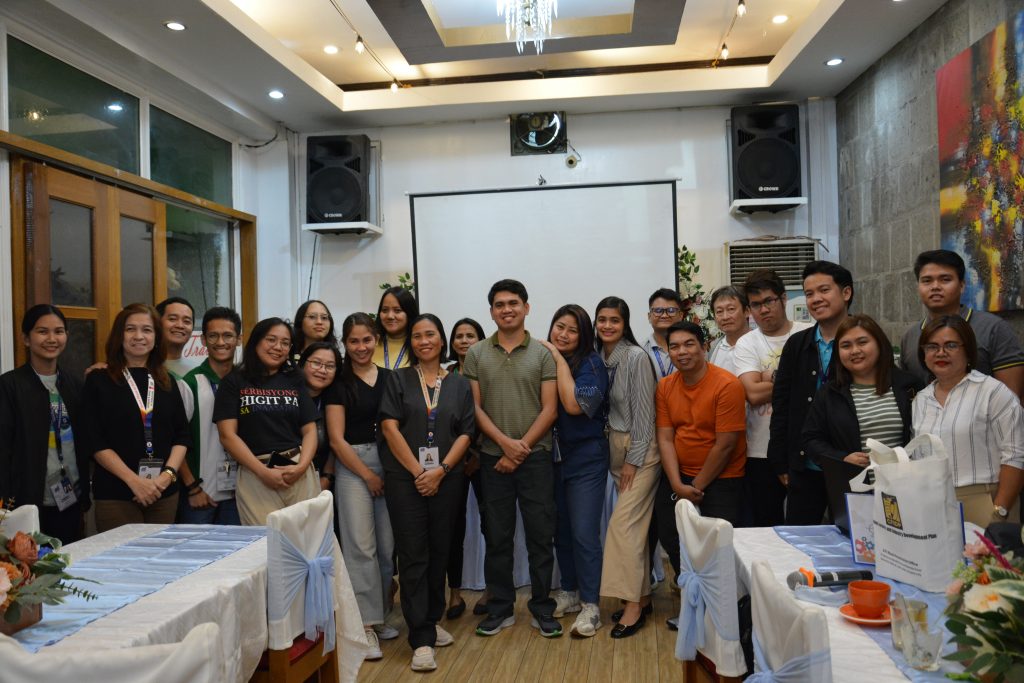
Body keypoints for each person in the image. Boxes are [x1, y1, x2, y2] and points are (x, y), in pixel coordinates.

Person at [463, 279, 560, 638]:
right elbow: (474, 407)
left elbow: (550, 410)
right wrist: (505, 445)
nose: (507, 309)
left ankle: (541, 608)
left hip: (535, 459)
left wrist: (519, 450)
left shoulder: (541, 353)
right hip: (493, 460)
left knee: (540, 536)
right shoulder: (476, 354)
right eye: (500, 304)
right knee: (499, 538)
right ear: (491, 311)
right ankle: (501, 608)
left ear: (526, 308)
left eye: (513, 303)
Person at [379, 314, 476, 671]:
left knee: (440, 550)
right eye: (417, 336)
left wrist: (442, 470)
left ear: (441, 339)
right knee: (413, 554)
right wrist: (420, 471)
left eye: (430, 334)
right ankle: (420, 638)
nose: (423, 341)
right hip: (406, 478)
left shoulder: (459, 384)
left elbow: (466, 432)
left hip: (446, 478)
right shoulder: (398, 379)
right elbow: (389, 427)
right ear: (411, 343)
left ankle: (431, 621)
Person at [324, 312, 396, 659]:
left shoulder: (391, 379)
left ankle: (379, 614)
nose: (361, 347)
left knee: (386, 548)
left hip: (389, 463)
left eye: (367, 340)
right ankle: (364, 626)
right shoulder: (339, 383)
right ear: (344, 343)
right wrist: (367, 476)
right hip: (353, 467)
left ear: (376, 340)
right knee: (360, 547)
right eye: (353, 341)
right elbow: (336, 441)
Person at [82, 303, 190, 532]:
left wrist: (166, 477)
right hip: (117, 494)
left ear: (157, 337)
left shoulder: (167, 381)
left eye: (147, 330)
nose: (139, 336)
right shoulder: (99, 380)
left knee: (160, 563)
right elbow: (94, 440)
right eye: (130, 329)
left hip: (164, 493)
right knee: (122, 563)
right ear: (119, 335)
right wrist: (134, 481)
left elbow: (182, 435)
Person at [655, 321, 746, 585]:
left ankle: (720, 615)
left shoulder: (727, 385)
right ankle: (692, 601)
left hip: (722, 479)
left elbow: (725, 445)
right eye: (674, 346)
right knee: (671, 537)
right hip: (679, 476)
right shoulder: (665, 386)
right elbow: (665, 437)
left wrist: (695, 486)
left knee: (716, 547)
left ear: (704, 347)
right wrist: (676, 483)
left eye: (689, 344)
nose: (681, 352)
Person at [538, 304, 609, 637]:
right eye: (558, 327)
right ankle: (568, 590)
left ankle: (591, 605)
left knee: (583, 533)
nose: (562, 335)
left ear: (584, 336)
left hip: (586, 460)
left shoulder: (593, 365)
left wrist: (555, 356)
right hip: (552, 461)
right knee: (560, 531)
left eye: (571, 330)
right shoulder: (543, 361)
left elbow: (575, 405)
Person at [912, 316, 1024, 526]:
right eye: (932, 346)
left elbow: (1016, 456)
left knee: (989, 560)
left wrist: (999, 512)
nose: (941, 353)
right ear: (923, 354)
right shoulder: (920, 400)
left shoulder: (993, 392)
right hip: (935, 505)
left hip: (986, 501)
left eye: (951, 345)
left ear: (968, 350)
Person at [595, 296, 661, 638]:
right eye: (602, 320)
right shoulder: (602, 358)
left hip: (641, 451)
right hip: (615, 450)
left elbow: (646, 415)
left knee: (623, 527)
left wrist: (634, 460)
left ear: (625, 324)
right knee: (634, 529)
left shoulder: (635, 356)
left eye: (614, 321)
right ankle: (643, 596)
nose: (607, 326)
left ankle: (632, 608)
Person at [769, 261, 854, 525]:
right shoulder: (797, 344)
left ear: (846, 293)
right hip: (804, 465)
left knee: (853, 543)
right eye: (809, 294)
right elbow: (781, 404)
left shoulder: (863, 341)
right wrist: (781, 461)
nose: (816, 299)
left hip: (850, 464)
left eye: (824, 290)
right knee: (800, 542)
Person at [213, 318, 319, 526]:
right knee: (265, 545)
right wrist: (263, 472)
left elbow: (310, 430)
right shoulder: (234, 381)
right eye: (271, 340)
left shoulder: (294, 380)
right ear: (256, 342)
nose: (278, 347)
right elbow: (227, 435)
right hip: (255, 474)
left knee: (307, 543)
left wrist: (301, 467)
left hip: (298, 470)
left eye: (285, 343)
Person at [0, 305, 90, 542]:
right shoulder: (9, 386)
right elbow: (3, 449)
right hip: (25, 504)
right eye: (42, 332)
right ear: (26, 339)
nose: (52, 339)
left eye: (59, 331)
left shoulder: (74, 385)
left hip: (69, 500)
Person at [732, 270, 811, 527]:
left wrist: (770, 377)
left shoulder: (807, 333)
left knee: (807, 524)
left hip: (805, 445)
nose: (763, 309)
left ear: (784, 299)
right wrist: (795, 381)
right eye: (756, 304)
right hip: (760, 449)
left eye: (769, 301)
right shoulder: (747, 343)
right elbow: (753, 394)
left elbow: (818, 389)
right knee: (767, 525)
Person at [802, 315, 923, 469]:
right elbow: (811, 439)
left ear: (879, 344)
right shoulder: (829, 394)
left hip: (905, 485)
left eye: (862, 342)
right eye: (846, 345)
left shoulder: (909, 386)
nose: (855, 351)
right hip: (854, 487)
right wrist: (842, 458)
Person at [901, 250, 1024, 396]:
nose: (935, 286)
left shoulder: (994, 328)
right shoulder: (910, 337)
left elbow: (1012, 399)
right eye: (927, 281)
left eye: (945, 279)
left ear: (962, 285)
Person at [177, 307, 243, 525]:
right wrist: (192, 487)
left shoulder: (247, 382)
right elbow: (176, 440)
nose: (220, 342)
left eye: (228, 336)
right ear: (203, 340)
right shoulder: (190, 382)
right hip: (200, 495)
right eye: (213, 336)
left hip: (239, 494)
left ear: (239, 339)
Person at [443, 317, 487, 619]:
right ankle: (454, 594)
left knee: (492, 526)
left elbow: (492, 413)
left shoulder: (489, 370)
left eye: (471, 335)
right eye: (458, 336)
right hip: (452, 460)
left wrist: (479, 454)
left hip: (485, 457)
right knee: (452, 528)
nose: (464, 340)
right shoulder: (443, 376)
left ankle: (493, 589)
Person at [297, 342, 341, 482]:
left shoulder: (335, 402)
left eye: (330, 366)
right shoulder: (285, 397)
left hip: (321, 479)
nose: (322, 370)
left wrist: (327, 476)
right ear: (302, 363)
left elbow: (336, 445)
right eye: (316, 363)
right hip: (284, 474)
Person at [643, 288, 685, 381]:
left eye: (671, 310)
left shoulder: (692, 349)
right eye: (658, 311)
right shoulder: (640, 351)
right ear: (649, 316)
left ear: (681, 315)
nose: (665, 315)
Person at [708, 285, 751, 376]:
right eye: (719, 311)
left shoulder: (760, 343)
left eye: (731, 309)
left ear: (747, 311)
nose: (725, 317)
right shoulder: (714, 347)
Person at [373, 287, 419, 370]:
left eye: (397, 310)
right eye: (385, 310)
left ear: (409, 313)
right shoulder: (371, 344)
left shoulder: (419, 345)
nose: (390, 316)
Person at [156, 297, 196, 379]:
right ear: (157, 323)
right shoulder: (144, 366)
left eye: (186, 321)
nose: (180, 325)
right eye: (172, 319)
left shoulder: (196, 373)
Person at [290, 299, 337, 364]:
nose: (319, 322)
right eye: (312, 317)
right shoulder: (288, 358)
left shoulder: (337, 358)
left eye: (324, 318)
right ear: (300, 321)